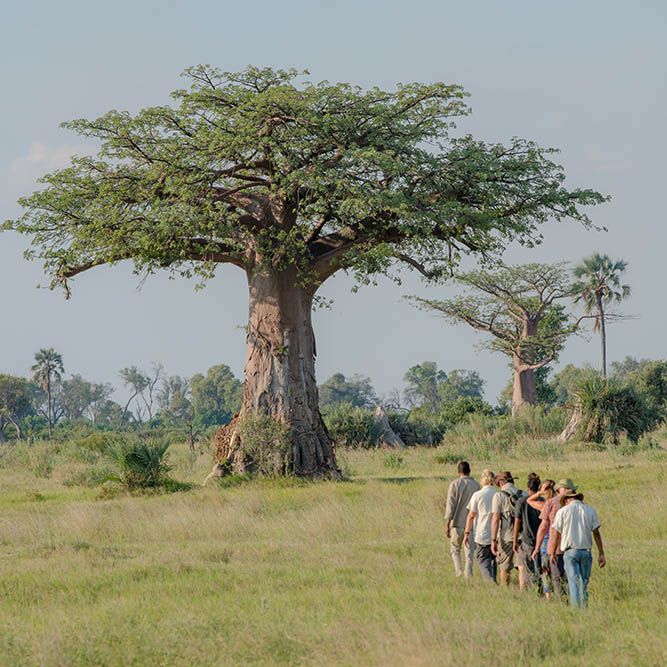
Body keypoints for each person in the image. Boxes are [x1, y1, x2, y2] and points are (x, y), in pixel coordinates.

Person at [551, 489, 606, 608]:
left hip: (570, 552)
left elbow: (556, 534)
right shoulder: (590, 510)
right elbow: (596, 532)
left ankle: (576, 610)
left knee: (573, 583)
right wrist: (601, 553)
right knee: (583, 584)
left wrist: (553, 552)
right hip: (586, 551)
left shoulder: (562, 511)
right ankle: (584, 608)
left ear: (566, 500)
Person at [531, 478, 578, 599]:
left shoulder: (550, 503)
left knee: (555, 576)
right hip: (573, 545)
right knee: (571, 577)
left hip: (554, 547)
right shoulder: (577, 503)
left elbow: (543, 527)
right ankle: (574, 599)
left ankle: (561, 600)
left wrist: (537, 547)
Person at [444, 461, 481, 578]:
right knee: (469, 552)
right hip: (471, 525)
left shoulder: (454, 484)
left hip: (457, 522)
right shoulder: (476, 485)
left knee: (455, 548)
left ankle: (458, 571)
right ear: (469, 471)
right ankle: (468, 574)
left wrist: (447, 524)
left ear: (458, 472)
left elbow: (450, 505)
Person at [490, 471, 525, 585]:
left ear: (501, 483)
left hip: (506, 537)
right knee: (522, 567)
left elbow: (496, 519)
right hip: (523, 536)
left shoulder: (498, 496)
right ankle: (523, 590)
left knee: (505, 567)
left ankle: (506, 589)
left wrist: (493, 540)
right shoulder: (524, 494)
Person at [463, 469, 498, 583]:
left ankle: (490, 583)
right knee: (494, 560)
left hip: (482, 534)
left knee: (483, 560)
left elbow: (471, 515)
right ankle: (494, 580)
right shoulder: (498, 494)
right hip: (496, 533)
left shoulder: (477, 495)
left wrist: (467, 533)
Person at [513, 472, 542, 591]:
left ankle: (526, 591)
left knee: (525, 568)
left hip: (526, 540)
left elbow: (517, 522)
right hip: (540, 540)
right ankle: (540, 590)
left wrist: (514, 541)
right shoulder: (542, 500)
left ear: (528, 489)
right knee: (539, 569)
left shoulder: (521, 501)